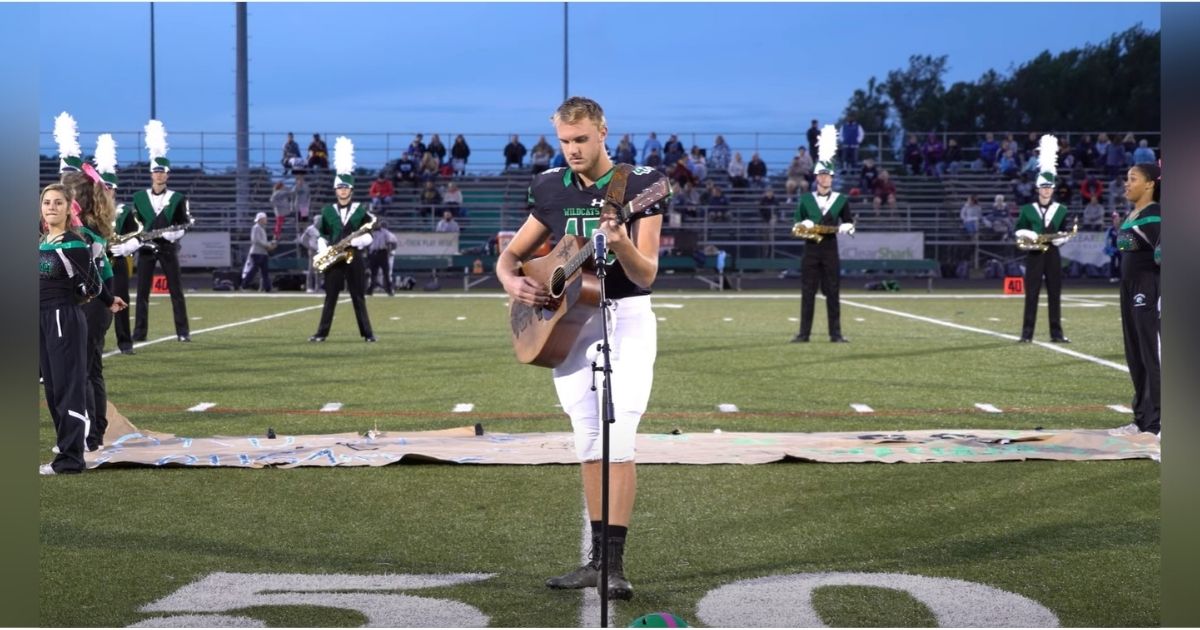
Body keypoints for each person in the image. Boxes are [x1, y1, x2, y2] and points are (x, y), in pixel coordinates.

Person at [497, 96, 669, 601]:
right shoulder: (551, 186)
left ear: (602, 133)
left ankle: (614, 566)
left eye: (581, 139)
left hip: (625, 316)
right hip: (569, 323)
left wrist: (620, 243)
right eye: (564, 141)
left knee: (621, 435)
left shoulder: (639, 185)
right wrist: (512, 281)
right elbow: (511, 255)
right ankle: (595, 561)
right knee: (589, 440)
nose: (572, 150)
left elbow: (646, 273)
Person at [62, 141, 130, 454]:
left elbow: (85, 275)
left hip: (90, 303)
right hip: (99, 302)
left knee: (83, 371)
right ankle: (95, 432)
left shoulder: (81, 233)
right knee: (91, 370)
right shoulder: (90, 229)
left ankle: (90, 435)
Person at [38, 183, 95, 474]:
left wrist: (80, 293)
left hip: (63, 317)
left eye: (58, 202)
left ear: (68, 208)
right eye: (47, 202)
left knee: (66, 389)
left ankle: (71, 459)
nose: (51, 207)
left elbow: (92, 285)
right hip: (42, 319)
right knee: (52, 390)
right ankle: (66, 448)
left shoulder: (73, 243)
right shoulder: (42, 242)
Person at [127, 120, 192, 343]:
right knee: (142, 292)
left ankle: (182, 332)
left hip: (167, 247)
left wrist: (172, 235)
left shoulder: (177, 198)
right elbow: (134, 223)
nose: (159, 175)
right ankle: (139, 332)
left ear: (168, 175)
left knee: (176, 290)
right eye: (156, 171)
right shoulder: (139, 197)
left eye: (162, 172)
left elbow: (183, 224)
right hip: (145, 248)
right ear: (151, 174)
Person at [1109, 163, 1160, 439]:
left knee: (1151, 355)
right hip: (1128, 288)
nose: (1126, 183)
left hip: (1148, 288)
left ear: (1150, 183)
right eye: (1126, 178)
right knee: (1135, 355)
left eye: (1133, 179)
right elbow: (1128, 248)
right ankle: (1142, 420)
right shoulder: (1133, 214)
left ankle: (1158, 424)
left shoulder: (1156, 214)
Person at [310, 137, 377, 342]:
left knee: (358, 296)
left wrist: (357, 241)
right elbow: (322, 233)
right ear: (335, 190)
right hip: (334, 256)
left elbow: (370, 235)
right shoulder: (327, 211)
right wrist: (323, 247)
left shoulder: (360, 210)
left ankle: (368, 334)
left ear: (351, 190)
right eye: (340, 187)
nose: (343, 190)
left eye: (346, 187)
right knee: (330, 296)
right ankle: (321, 333)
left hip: (353, 256)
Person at [793, 125, 855, 343]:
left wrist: (848, 228)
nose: (825, 178)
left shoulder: (841, 200)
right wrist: (805, 227)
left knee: (833, 292)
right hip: (810, 250)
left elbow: (849, 224)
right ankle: (803, 334)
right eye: (821, 175)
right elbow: (795, 227)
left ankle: (835, 334)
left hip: (830, 249)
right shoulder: (805, 200)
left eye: (828, 175)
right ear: (816, 177)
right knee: (807, 292)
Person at [1013, 135, 1071, 344]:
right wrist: (1027, 234)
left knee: (1055, 293)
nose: (1046, 190)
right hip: (1034, 253)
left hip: (1053, 253)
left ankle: (1057, 333)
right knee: (1032, 294)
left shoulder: (1061, 209)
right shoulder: (1027, 209)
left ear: (1053, 189)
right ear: (1038, 189)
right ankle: (1026, 334)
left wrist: (1062, 239)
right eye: (1043, 187)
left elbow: (1064, 230)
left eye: (1049, 187)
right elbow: (1018, 230)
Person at [242, 212, 276, 292]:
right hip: (257, 252)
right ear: (261, 219)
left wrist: (270, 244)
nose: (266, 220)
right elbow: (256, 240)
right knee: (255, 270)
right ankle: (244, 285)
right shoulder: (256, 227)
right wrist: (267, 245)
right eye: (265, 219)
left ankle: (267, 288)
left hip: (262, 252)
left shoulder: (261, 228)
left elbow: (260, 240)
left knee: (264, 271)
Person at [366, 220, 398, 296]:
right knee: (374, 273)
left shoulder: (385, 233)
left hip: (382, 252)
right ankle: (371, 290)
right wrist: (369, 254)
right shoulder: (373, 232)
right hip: (374, 253)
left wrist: (388, 253)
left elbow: (389, 243)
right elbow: (369, 244)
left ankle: (389, 290)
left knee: (385, 273)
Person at [299, 214, 323, 293]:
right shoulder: (310, 229)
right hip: (313, 250)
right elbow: (303, 239)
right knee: (311, 269)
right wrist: (309, 247)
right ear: (314, 221)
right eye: (318, 220)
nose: (319, 222)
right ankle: (309, 287)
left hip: (320, 251)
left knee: (319, 269)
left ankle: (318, 287)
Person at [1103, 211, 1122, 283]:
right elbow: (1107, 240)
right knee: (1113, 262)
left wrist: (1122, 249)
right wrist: (1109, 249)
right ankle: (1113, 276)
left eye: (1117, 219)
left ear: (1119, 220)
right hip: (1113, 249)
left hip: (1121, 249)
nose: (1116, 221)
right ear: (1113, 221)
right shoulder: (1110, 230)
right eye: (1115, 220)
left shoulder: (1122, 229)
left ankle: (1120, 276)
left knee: (1121, 262)